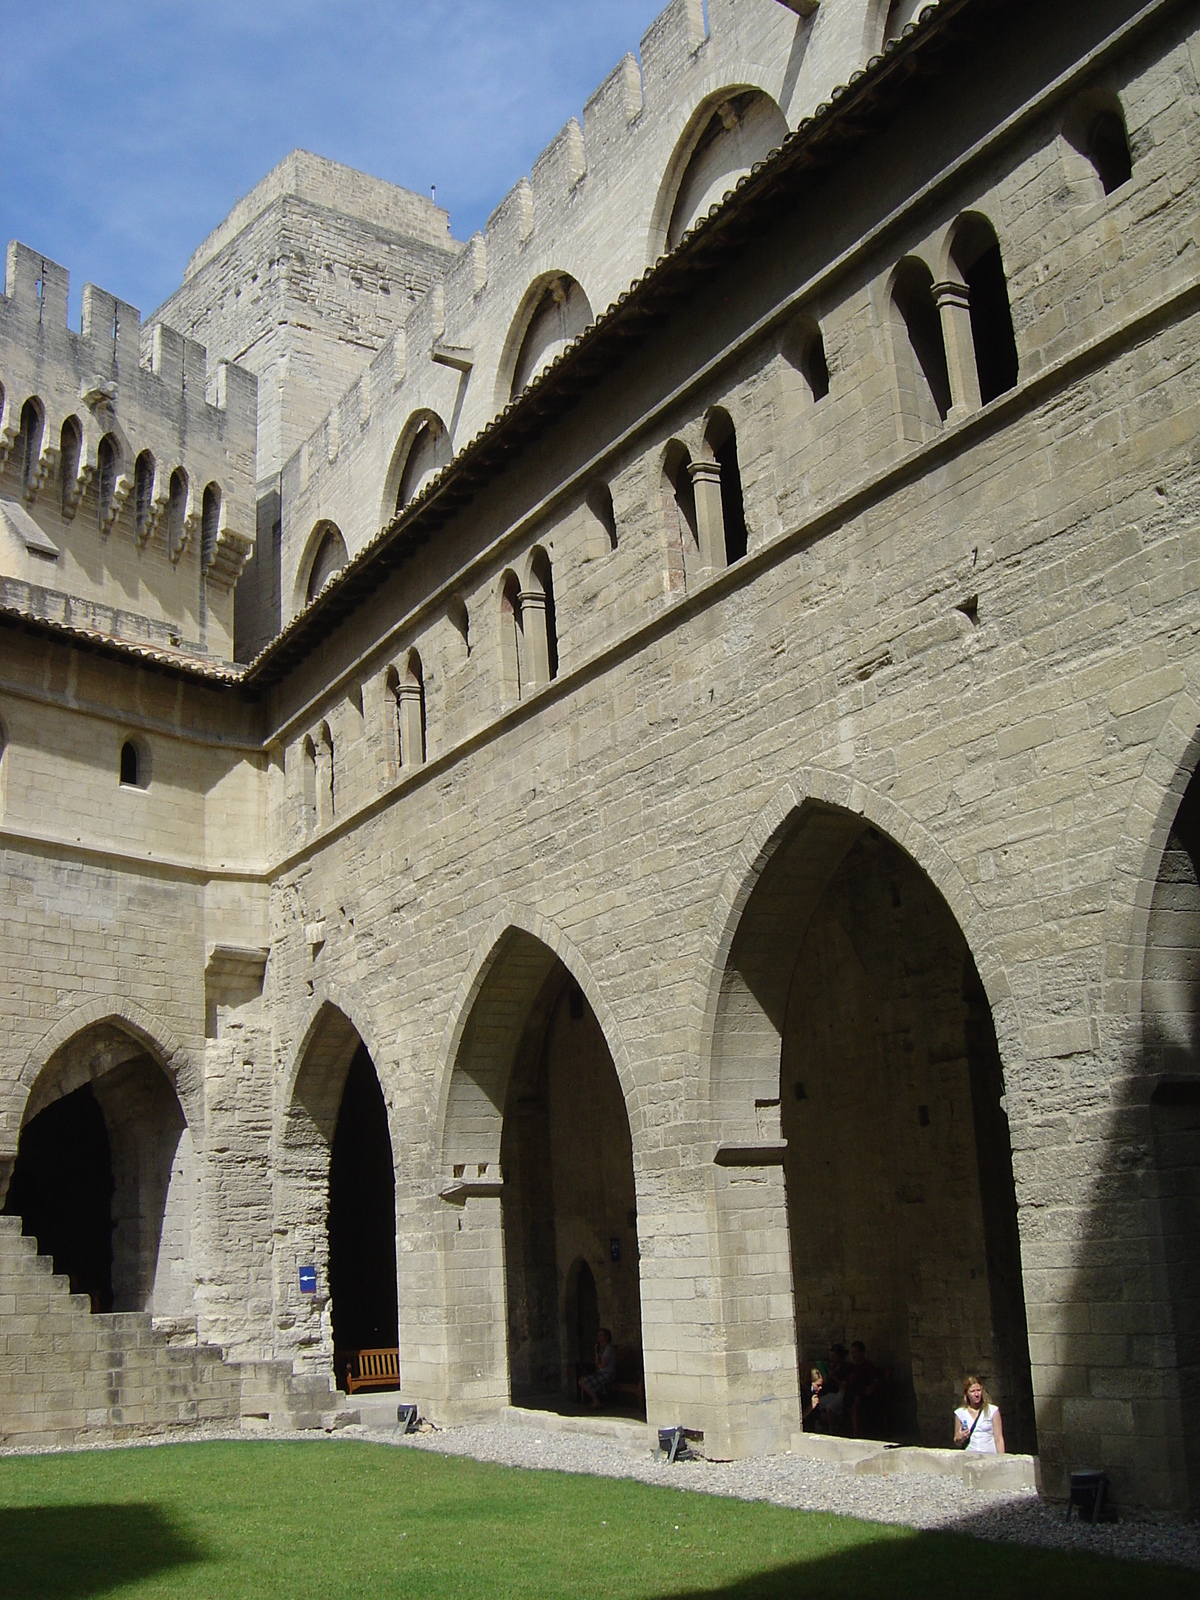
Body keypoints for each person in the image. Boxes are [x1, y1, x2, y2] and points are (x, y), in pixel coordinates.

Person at [953, 1375, 1005, 1454]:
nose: (976, 1394)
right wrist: (961, 1437)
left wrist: (1001, 1458)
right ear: (966, 1393)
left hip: (990, 1456)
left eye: (978, 1390)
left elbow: (999, 1439)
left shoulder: (993, 1410)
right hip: (970, 1456)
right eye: (972, 1391)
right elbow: (957, 1440)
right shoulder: (960, 1413)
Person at [842, 1340, 884, 1437]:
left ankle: (856, 1432)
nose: (853, 1355)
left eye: (855, 1352)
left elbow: (877, 1381)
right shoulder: (850, 1368)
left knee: (857, 1401)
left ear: (862, 1352)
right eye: (851, 1353)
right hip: (849, 1393)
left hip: (864, 1395)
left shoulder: (868, 1367)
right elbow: (844, 1382)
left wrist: (871, 1387)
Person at [580, 1327, 617, 1409]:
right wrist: (596, 1352)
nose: (599, 1338)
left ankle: (596, 1401)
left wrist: (600, 1367)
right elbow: (598, 1365)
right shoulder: (602, 1350)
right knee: (583, 1380)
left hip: (608, 1374)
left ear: (606, 1337)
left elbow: (603, 1364)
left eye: (601, 1335)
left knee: (583, 1382)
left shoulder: (609, 1349)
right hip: (601, 1373)